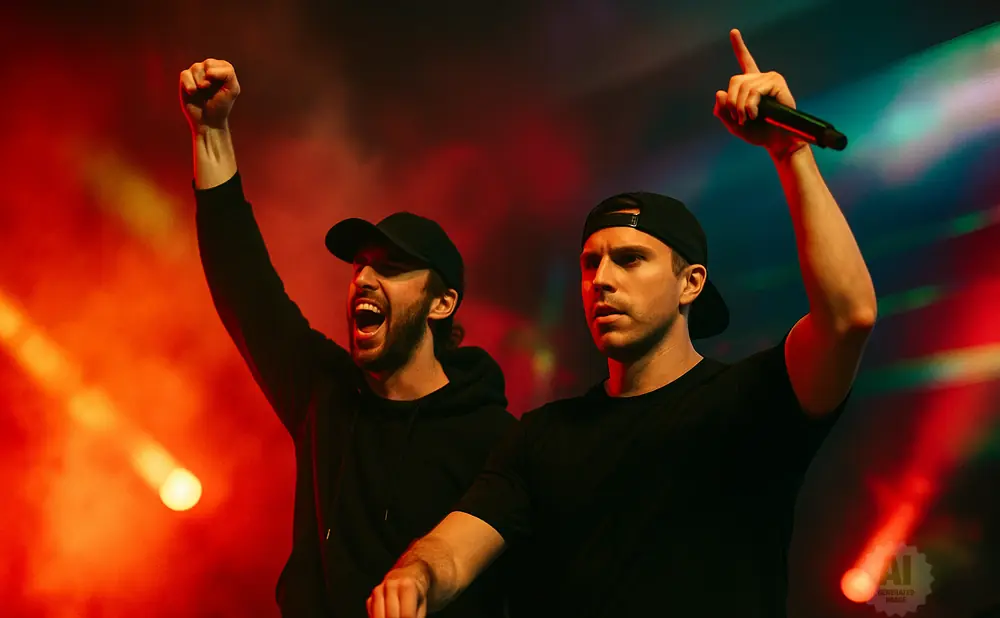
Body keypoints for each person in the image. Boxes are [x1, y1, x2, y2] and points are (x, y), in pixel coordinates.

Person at [366, 28, 877, 618]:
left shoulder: (753, 399)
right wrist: (417, 577)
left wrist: (791, 153)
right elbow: (452, 551)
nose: (601, 279)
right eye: (590, 263)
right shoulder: (542, 437)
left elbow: (849, 318)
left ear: (691, 283)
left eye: (630, 259)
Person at [179, 58, 517, 618]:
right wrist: (211, 132)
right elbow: (244, 284)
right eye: (360, 265)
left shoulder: (493, 438)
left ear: (443, 303)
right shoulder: (326, 394)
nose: (363, 278)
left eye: (390, 267)